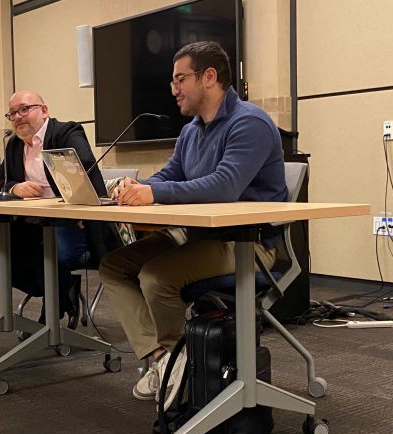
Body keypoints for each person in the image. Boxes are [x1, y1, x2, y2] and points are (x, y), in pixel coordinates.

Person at [99, 41, 288, 407]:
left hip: (249, 246)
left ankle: (174, 362)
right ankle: (164, 359)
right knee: (114, 265)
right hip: (199, 238)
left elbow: (225, 185)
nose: (173, 89)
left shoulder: (249, 123)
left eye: (180, 79)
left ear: (209, 77)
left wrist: (155, 194)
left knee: (157, 276)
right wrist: (139, 186)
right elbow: (171, 175)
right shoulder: (192, 130)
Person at [0, 90, 120, 328]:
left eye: (24, 109)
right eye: (12, 113)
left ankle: (57, 298)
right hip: (32, 226)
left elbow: (84, 161)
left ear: (43, 111)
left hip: (74, 224)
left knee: (55, 253)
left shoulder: (66, 131)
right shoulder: (13, 145)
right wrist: (16, 188)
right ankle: (62, 292)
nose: (18, 117)